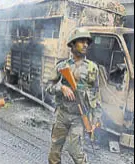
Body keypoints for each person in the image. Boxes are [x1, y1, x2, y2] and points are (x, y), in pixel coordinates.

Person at [46, 28, 102, 164]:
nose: (85, 45)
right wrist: (62, 87)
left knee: (75, 151)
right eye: (81, 41)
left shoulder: (92, 68)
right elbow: (48, 87)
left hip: (79, 117)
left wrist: (96, 120)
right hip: (62, 115)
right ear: (72, 44)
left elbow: (96, 94)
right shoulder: (62, 66)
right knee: (54, 151)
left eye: (87, 42)